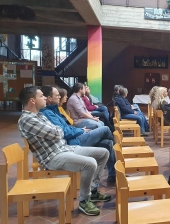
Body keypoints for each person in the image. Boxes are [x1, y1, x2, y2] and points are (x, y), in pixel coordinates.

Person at [17, 86, 111, 216]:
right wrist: (59, 131)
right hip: (52, 157)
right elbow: (56, 132)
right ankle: (84, 200)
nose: (44, 97)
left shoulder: (38, 115)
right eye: (41, 96)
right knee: (90, 163)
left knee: (103, 153)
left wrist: (58, 131)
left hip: (64, 149)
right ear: (32, 100)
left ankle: (93, 190)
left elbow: (58, 130)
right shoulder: (27, 119)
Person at [40, 85, 117, 183]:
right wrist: (81, 130)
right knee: (105, 129)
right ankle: (118, 156)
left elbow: (67, 126)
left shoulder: (54, 111)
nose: (60, 97)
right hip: (72, 141)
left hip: (74, 135)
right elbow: (64, 132)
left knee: (108, 143)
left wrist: (80, 129)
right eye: (57, 95)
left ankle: (113, 175)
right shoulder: (48, 113)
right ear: (49, 99)